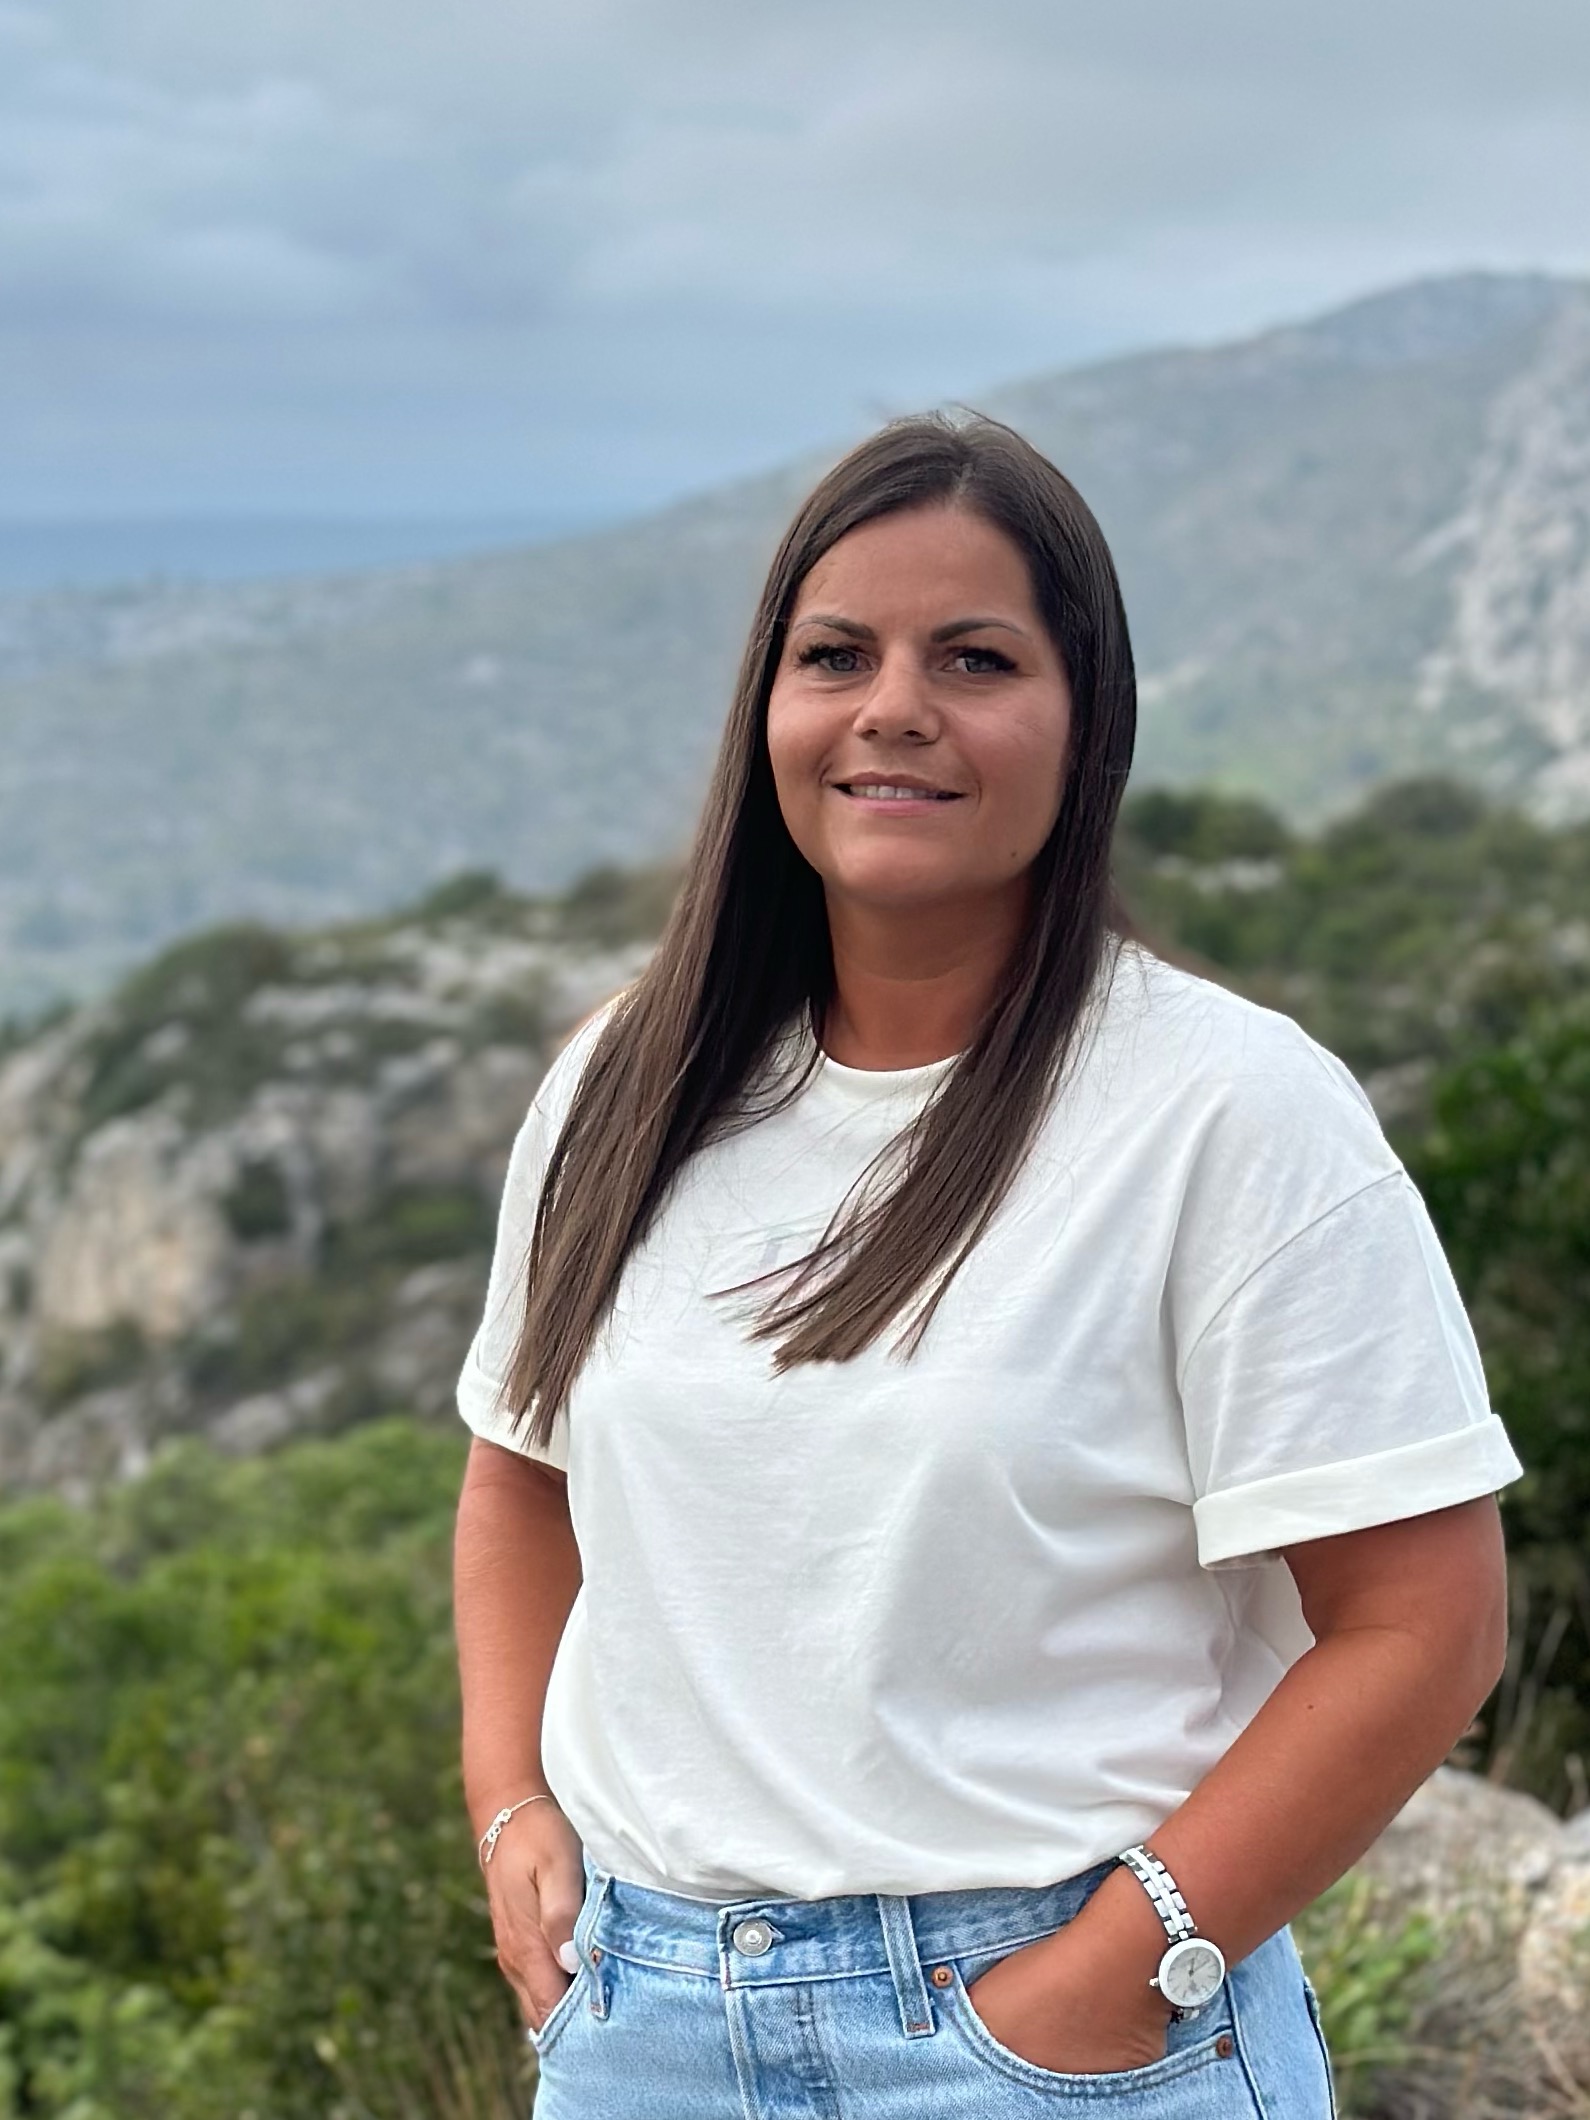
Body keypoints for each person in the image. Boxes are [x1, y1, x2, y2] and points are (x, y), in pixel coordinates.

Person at [452, 411, 1522, 2119]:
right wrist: (509, 1805)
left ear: (1086, 721)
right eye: (834, 656)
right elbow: (522, 1473)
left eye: (974, 658)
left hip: (1044, 2035)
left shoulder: (1227, 1110)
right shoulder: (624, 1082)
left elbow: (1424, 1621)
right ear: (765, 707)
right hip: (642, 2025)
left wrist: (1112, 1975)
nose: (893, 707)